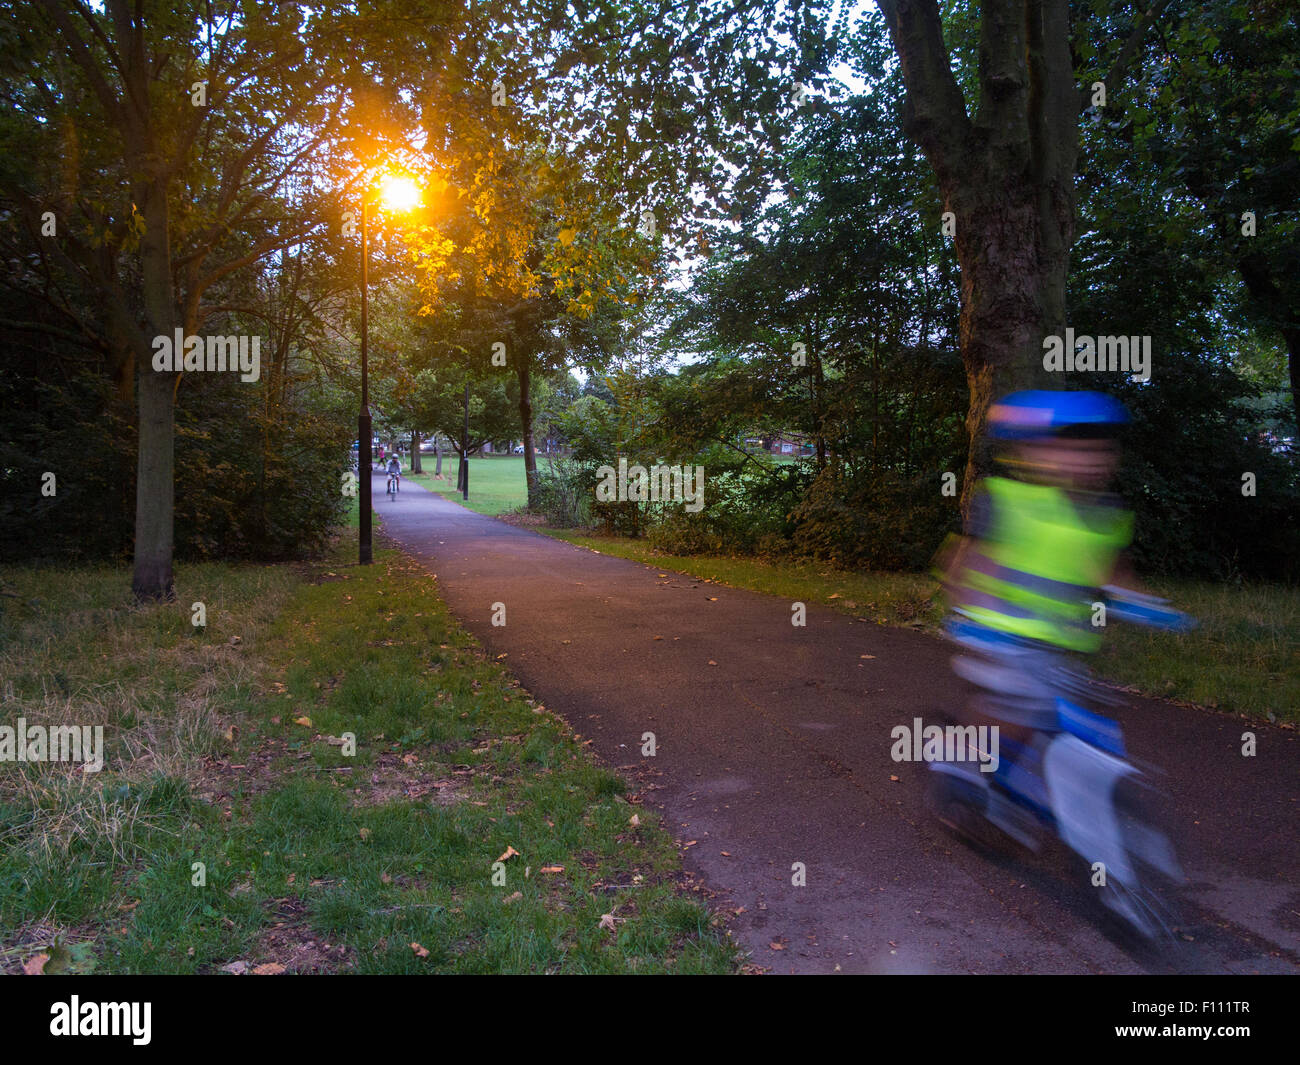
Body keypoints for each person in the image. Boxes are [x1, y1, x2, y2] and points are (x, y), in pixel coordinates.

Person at [934, 390, 1161, 807]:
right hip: (1004, 637)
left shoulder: (1107, 513)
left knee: (1081, 718)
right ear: (1030, 454)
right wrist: (970, 612)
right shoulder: (1007, 501)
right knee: (1016, 707)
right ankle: (960, 761)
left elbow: (1112, 571)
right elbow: (970, 564)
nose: (1088, 462)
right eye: (1070, 452)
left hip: (1067, 644)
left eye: (1098, 452)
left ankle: (1054, 785)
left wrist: (1146, 605)